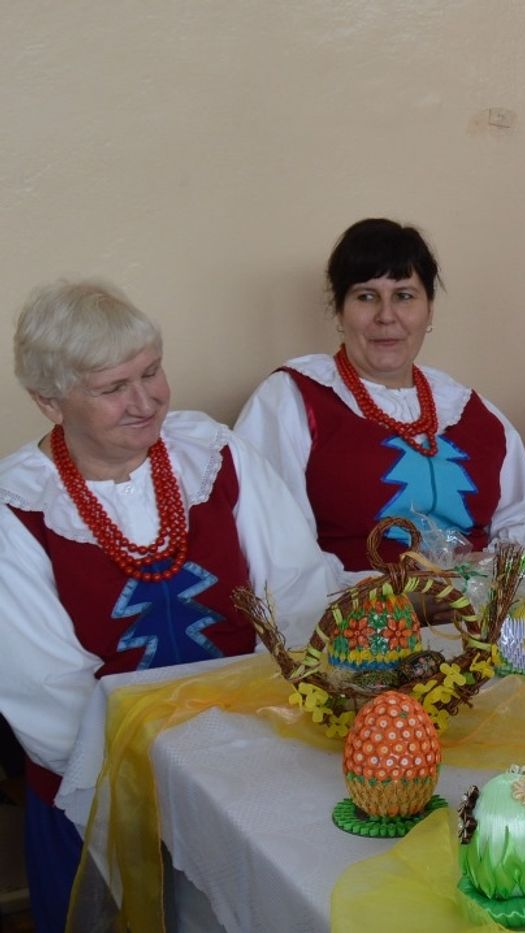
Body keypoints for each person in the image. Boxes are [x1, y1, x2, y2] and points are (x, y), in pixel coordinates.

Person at [0, 280, 344, 932]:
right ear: (48, 401)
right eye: (113, 387)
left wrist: (288, 729)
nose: (146, 400)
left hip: (260, 761)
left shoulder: (212, 453)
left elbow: (297, 594)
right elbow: (48, 696)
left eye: (151, 371)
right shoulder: (17, 509)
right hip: (107, 796)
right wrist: (178, 784)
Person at [235, 218, 525, 571]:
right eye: (366, 296)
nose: (386, 316)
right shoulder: (291, 399)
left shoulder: (469, 410)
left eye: (404, 296)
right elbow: (275, 549)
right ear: (339, 311)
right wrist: (403, 591)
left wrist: (496, 574)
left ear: (429, 310)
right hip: (353, 605)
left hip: (479, 602)